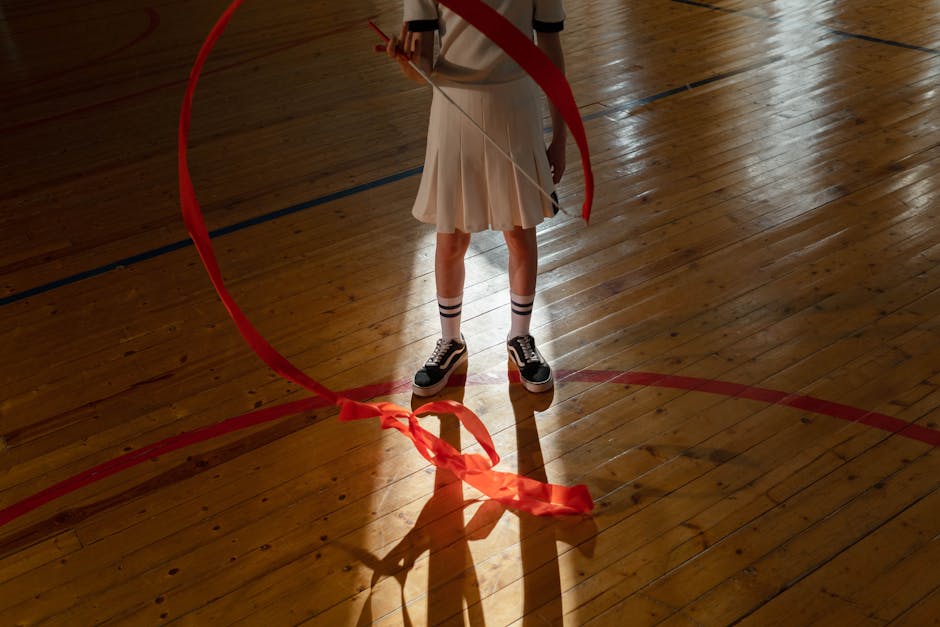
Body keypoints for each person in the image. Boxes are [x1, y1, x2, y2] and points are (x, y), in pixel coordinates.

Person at [384, 0, 568, 397]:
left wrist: (561, 137)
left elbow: (550, 50)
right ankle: (450, 340)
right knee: (451, 236)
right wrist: (405, 62)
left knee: (520, 231)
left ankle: (521, 336)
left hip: (515, 106)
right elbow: (423, 69)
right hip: (454, 107)